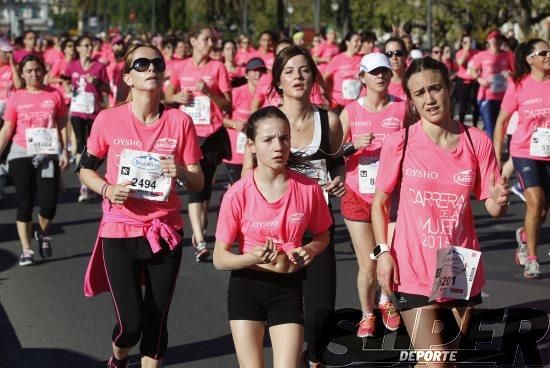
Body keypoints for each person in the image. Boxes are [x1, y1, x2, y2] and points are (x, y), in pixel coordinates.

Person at [371, 57, 509, 366]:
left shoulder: (476, 141)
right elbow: (379, 204)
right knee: (436, 360)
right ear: (412, 100)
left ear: (449, 88)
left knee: (446, 360)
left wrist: (499, 199)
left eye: (435, 89)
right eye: (420, 93)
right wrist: (382, 253)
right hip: (412, 266)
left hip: (458, 264)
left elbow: (491, 205)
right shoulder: (400, 143)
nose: (429, 99)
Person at [78, 42, 204, 368]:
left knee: (156, 321)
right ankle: (118, 359)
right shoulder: (108, 120)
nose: (151, 69)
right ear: (127, 78)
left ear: (163, 74)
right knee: (131, 324)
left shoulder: (180, 122)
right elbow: (85, 169)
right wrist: (106, 189)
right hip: (120, 229)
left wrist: (181, 173)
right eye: (141, 64)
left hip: (165, 231)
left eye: (156, 64)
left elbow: (198, 181)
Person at [246, 45, 345, 367]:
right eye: (289, 71)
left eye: (304, 70)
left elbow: (338, 164)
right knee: (278, 315)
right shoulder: (265, 120)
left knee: (320, 315)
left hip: (316, 228)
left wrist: (339, 180)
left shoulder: (328, 120)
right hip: (273, 228)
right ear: (278, 81)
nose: (297, 77)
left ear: (313, 76)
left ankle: (310, 358)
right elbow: (249, 172)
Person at [214, 106, 333, 368]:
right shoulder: (237, 193)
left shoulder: (309, 189)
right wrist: (249, 257)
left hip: (287, 289)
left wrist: (311, 249)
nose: (278, 146)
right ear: (252, 145)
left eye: (284, 138)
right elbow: (220, 259)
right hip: (247, 287)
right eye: (268, 140)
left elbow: (322, 235)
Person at [339, 53, 409, 338]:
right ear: (362, 78)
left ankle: (385, 301)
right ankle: (367, 314)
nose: (381, 76)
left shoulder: (403, 109)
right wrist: (351, 145)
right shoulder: (350, 112)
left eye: (385, 71)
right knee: (368, 263)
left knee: (388, 256)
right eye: (374, 72)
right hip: (357, 194)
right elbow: (333, 154)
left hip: (391, 196)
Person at [166, 24, 232, 262]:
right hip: (188, 133)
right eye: (206, 39)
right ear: (193, 41)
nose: (211, 43)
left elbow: (227, 105)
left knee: (203, 187)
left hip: (212, 133)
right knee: (194, 184)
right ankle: (201, 240)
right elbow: (167, 95)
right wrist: (176, 97)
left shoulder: (218, 67)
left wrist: (210, 92)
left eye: (213, 40)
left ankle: (200, 232)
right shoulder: (180, 66)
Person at [0, 55, 69, 266]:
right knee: (25, 202)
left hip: (47, 153)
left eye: (37, 70)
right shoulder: (16, 97)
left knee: (48, 204)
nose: (34, 74)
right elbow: (7, 129)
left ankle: (41, 231)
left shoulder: (54, 94)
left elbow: (62, 124)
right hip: (21, 152)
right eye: (29, 71)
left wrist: (64, 151)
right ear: (22, 73)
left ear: (43, 71)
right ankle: (26, 249)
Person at [494, 39, 549, 279]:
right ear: (530, 59)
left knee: (543, 208)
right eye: (544, 52)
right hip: (524, 151)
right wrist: (497, 158)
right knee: (535, 201)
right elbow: (501, 122)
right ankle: (532, 258)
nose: (549, 55)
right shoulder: (519, 85)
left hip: (547, 152)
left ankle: (525, 235)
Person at [66, 35, 111, 202]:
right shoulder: (72, 66)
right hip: (77, 111)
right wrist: (68, 88)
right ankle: (84, 185)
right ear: (78, 48)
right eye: (85, 45)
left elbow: (107, 89)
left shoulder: (99, 67)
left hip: (94, 112)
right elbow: (66, 79)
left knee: (92, 148)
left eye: (90, 46)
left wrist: (97, 83)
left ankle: (90, 179)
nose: (89, 48)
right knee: (79, 146)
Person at [222, 57, 267, 184]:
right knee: (236, 190)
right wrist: (234, 123)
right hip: (236, 155)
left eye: (261, 71)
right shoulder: (236, 93)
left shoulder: (269, 95)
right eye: (253, 71)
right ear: (246, 75)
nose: (258, 74)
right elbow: (217, 117)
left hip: (259, 155)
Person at [468, 30, 514, 139]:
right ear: (488, 40)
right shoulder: (482, 55)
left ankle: (501, 152)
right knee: (490, 128)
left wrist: (510, 74)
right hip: (486, 97)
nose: (496, 40)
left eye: (499, 38)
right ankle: (492, 154)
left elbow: (517, 71)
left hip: (505, 97)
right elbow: (472, 70)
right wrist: (480, 79)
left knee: (505, 128)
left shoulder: (509, 55)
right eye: (493, 37)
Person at [323, 31, 363, 112]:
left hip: (357, 104)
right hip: (338, 105)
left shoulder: (363, 59)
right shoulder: (338, 58)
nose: (359, 43)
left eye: (360, 41)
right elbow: (324, 77)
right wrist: (325, 96)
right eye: (356, 41)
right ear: (347, 42)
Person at [455, 34, 480, 127]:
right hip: (462, 81)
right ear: (462, 43)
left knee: (476, 105)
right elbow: (460, 63)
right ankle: (461, 125)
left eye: (470, 41)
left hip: (474, 81)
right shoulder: (459, 53)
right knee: (463, 105)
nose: (468, 44)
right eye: (465, 42)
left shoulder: (477, 52)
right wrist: (466, 51)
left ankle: (475, 125)